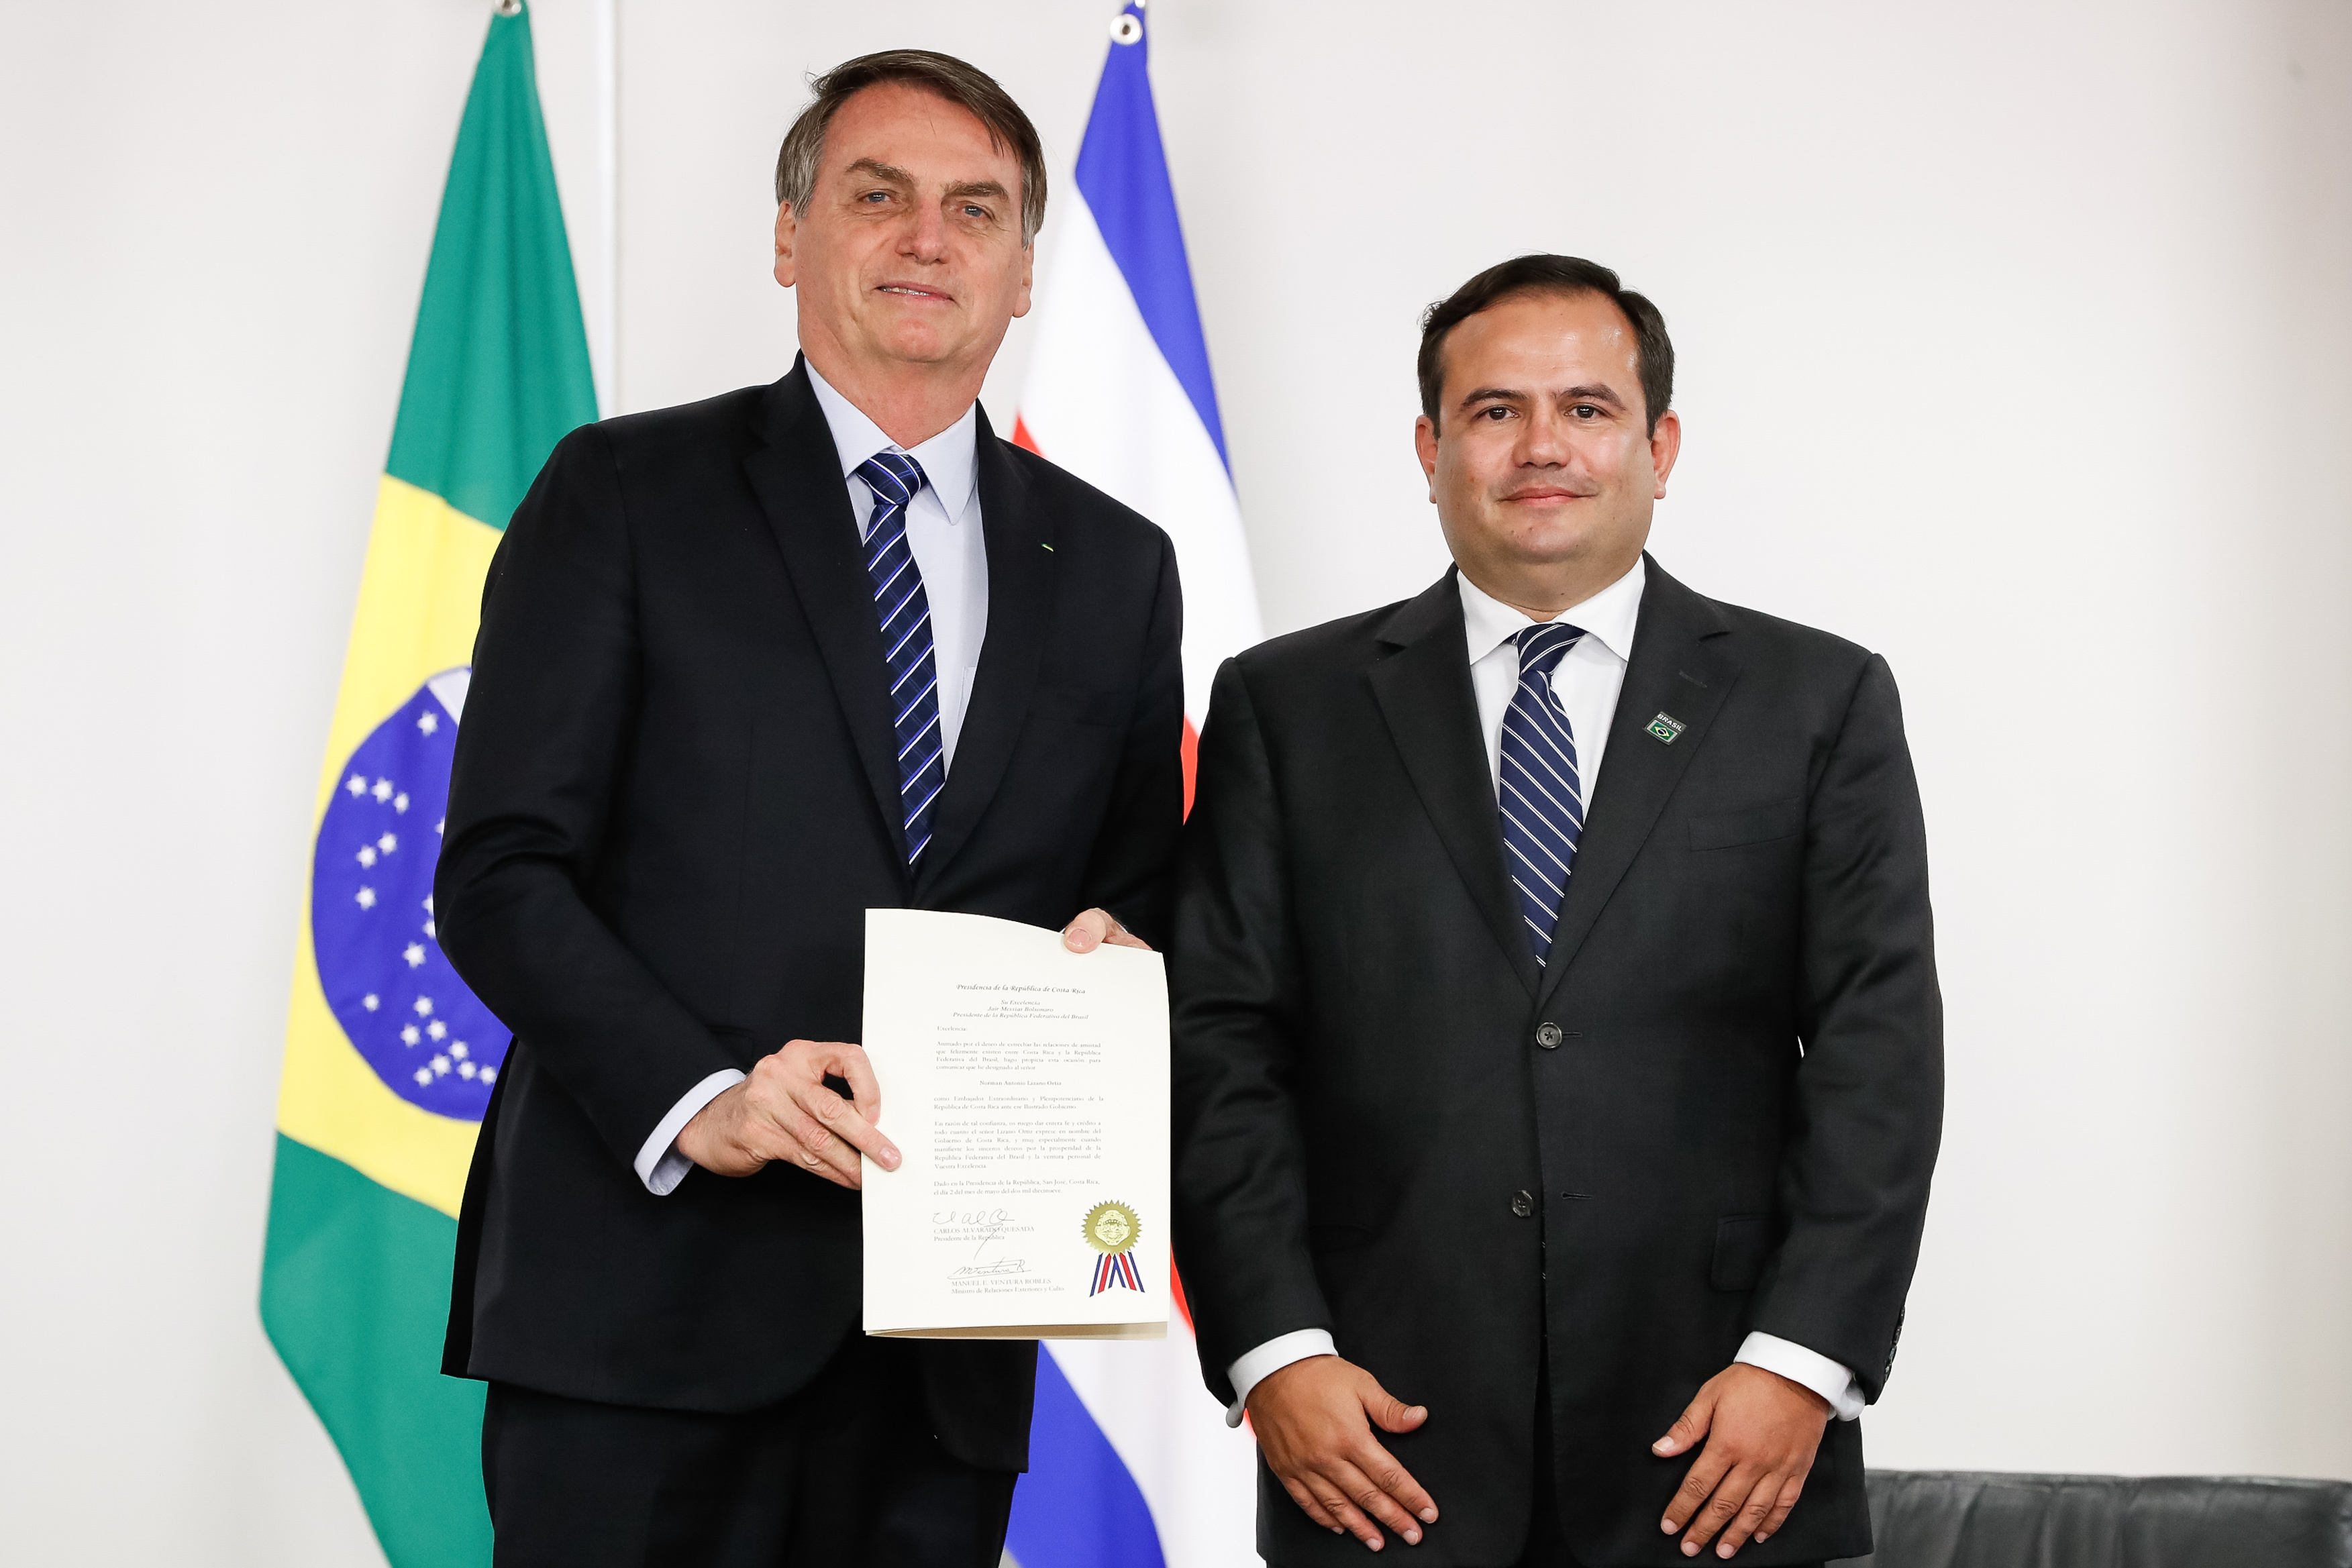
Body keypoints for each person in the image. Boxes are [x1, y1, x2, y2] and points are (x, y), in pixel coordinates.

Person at [434, 50, 1182, 1568]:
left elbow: (1137, 888)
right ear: (791, 237)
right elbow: (502, 872)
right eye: (878, 195)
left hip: (943, 1349)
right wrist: (701, 1095)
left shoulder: (1115, 563)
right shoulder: (623, 490)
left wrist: (1119, 957)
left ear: (1024, 272)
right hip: (639, 1320)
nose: (929, 239)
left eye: (976, 209)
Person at [1170, 256, 1941, 1567]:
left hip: (1719, 1434)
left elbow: (1879, 1054)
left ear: (1659, 446)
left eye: (1586, 407)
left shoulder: (1816, 701)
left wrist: (1802, 1360)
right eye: (1493, 410)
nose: (1541, 446)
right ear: (1430, 450)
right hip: (1375, 1443)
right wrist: (1274, 1350)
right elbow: (1219, 1046)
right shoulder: (1284, 708)